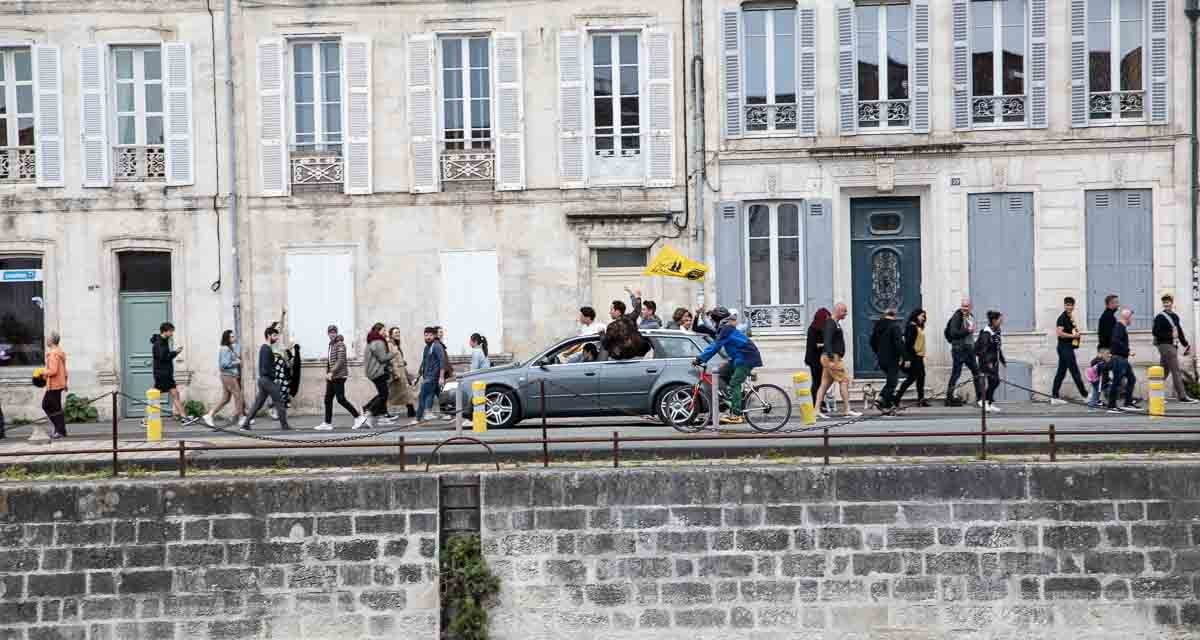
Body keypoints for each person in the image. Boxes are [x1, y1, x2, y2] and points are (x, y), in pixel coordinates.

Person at [693, 307, 763, 424]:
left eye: (714, 320)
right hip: (738, 358)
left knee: (735, 383)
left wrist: (700, 358)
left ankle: (736, 415)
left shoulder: (725, 329)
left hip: (746, 357)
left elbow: (715, 347)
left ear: (718, 320)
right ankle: (731, 398)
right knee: (720, 373)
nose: (713, 322)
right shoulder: (724, 328)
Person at [240, 327, 291, 431]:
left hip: (264, 380)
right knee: (279, 402)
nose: (276, 338)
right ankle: (285, 426)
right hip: (268, 380)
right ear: (268, 336)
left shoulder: (266, 348)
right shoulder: (266, 349)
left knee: (258, 403)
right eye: (274, 336)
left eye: (277, 336)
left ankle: (246, 424)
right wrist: (274, 378)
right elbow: (265, 367)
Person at [815, 303, 860, 418]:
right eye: (844, 311)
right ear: (838, 311)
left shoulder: (834, 323)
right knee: (844, 381)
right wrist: (831, 359)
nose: (846, 313)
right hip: (832, 358)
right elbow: (827, 341)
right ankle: (847, 409)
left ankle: (816, 410)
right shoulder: (831, 323)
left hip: (829, 357)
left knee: (824, 384)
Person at [314, 325, 361, 431]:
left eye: (334, 332)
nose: (332, 334)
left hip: (339, 376)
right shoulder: (331, 344)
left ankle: (358, 417)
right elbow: (332, 360)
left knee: (341, 399)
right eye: (330, 332)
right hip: (333, 376)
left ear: (336, 333)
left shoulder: (340, 344)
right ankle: (327, 423)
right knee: (328, 399)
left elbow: (340, 361)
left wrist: (331, 372)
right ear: (328, 333)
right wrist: (328, 371)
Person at [1153, 294, 1197, 403]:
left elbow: (1179, 331)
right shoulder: (1160, 317)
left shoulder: (1175, 316)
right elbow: (1156, 332)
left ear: (1172, 303)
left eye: (1168, 302)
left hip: (1173, 345)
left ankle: (1155, 395)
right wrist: (1169, 336)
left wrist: (1185, 344)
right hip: (1165, 345)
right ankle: (1182, 396)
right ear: (1163, 304)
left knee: (1164, 371)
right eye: (1164, 302)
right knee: (1176, 370)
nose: (1166, 304)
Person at [355, 323, 396, 429]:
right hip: (378, 372)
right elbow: (383, 358)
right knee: (384, 394)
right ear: (378, 330)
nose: (385, 332)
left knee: (383, 393)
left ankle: (381, 415)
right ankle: (368, 410)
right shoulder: (379, 342)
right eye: (383, 330)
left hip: (373, 372)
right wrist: (393, 353)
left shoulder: (372, 341)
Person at [944, 298, 983, 407]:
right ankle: (949, 398)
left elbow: (970, 335)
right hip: (959, 349)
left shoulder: (970, 316)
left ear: (971, 307)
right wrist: (967, 331)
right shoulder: (957, 316)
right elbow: (953, 332)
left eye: (966, 306)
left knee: (976, 373)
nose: (964, 308)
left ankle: (980, 399)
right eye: (963, 306)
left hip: (969, 349)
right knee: (956, 374)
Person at [151, 322, 192, 424]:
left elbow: (165, 356)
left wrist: (173, 353)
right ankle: (146, 419)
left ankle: (184, 417)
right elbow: (163, 358)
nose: (172, 333)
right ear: (166, 331)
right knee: (155, 395)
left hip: (164, 373)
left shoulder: (163, 341)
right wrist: (176, 352)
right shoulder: (159, 342)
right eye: (171, 331)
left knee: (174, 394)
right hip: (162, 374)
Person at [1051, 296, 1089, 405]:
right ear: (1064, 305)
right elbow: (1059, 333)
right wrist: (1073, 336)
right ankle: (1085, 395)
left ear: (1073, 306)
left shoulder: (1069, 317)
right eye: (1067, 305)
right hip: (1064, 348)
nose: (1069, 307)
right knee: (1075, 371)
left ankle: (1054, 397)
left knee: (1061, 372)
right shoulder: (1062, 318)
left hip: (1066, 348)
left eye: (1071, 305)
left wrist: (1076, 335)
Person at [204, 330, 246, 427]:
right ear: (227, 338)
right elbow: (223, 365)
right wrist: (237, 362)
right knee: (238, 396)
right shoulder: (225, 349)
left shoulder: (229, 348)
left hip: (228, 376)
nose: (234, 338)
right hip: (229, 376)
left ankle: (209, 415)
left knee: (226, 399)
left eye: (234, 336)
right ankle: (241, 418)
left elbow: (237, 349)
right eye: (231, 337)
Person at [870, 308, 905, 412]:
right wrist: (904, 356)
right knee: (893, 382)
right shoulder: (895, 326)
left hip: (881, 358)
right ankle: (881, 399)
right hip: (892, 358)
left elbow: (872, 342)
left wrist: (879, 352)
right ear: (895, 315)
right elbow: (898, 343)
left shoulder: (878, 326)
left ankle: (889, 405)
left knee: (891, 380)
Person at [1106, 308, 1141, 413]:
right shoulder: (1119, 327)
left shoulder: (1121, 327)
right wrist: (1128, 351)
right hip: (1118, 359)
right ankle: (1111, 406)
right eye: (1131, 317)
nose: (1132, 320)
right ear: (1127, 317)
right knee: (1117, 382)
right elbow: (1115, 341)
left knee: (1131, 379)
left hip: (1122, 359)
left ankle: (1128, 402)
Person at [895, 308, 929, 407]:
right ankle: (897, 398)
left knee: (921, 378)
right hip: (914, 357)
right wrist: (908, 359)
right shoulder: (912, 327)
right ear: (916, 315)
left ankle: (921, 399)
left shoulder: (917, 327)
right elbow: (908, 344)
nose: (923, 318)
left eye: (924, 316)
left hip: (919, 356)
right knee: (912, 378)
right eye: (922, 316)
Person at [975, 310, 1006, 413]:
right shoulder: (986, 333)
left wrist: (1002, 359)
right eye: (1000, 319)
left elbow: (998, 347)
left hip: (994, 361)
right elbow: (983, 351)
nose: (1001, 321)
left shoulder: (997, 331)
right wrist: (988, 363)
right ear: (993, 320)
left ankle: (989, 402)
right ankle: (983, 401)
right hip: (986, 362)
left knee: (994, 382)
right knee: (993, 381)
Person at [39, 332, 68, 440]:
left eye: (48, 339)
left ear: (52, 341)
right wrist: (65, 382)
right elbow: (64, 370)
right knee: (56, 407)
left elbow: (53, 371)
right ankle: (60, 430)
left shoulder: (53, 354)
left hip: (53, 385)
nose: (46, 340)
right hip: (59, 384)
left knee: (46, 405)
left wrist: (43, 372)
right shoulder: (59, 352)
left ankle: (59, 429)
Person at [415, 327, 447, 423]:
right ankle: (447, 413)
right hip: (428, 376)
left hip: (433, 377)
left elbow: (442, 361)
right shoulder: (427, 347)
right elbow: (423, 363)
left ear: (434, 336)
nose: (428, 337)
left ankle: (418, 418)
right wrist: (418, 376)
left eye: (430, 335)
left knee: (422, 396)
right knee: (440, 396)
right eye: (426, 335)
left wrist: (441, 377)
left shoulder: (436, 346)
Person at [460, 333, 492, 426]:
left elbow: (474, 368)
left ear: (475, 342)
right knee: (479, 399)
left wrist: (467, 374)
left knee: (474, 399)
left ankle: (472, 419)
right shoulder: (482, 351)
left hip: (479, 379)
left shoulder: (476, 351)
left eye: (470, 341)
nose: (469, 343)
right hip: (485, 378)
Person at [804, 308, 831, 401]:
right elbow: (813, 345)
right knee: (817, 382)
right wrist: (824, 344)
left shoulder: (824, 328)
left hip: (821, 359)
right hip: (814, 360)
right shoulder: (812, 329)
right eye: (826, 318)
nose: (828, 320)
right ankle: (815, 403)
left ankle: (820, 402)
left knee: (822, 382)